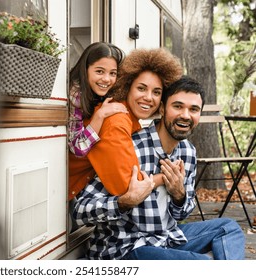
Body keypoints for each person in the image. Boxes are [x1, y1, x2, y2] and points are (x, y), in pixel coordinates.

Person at [72, 76, 246, 260]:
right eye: (177, 106)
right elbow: (80, 211)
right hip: (125, 248)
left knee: (230, 229)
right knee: (201, 264)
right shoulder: (130, 148)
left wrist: (179, 195)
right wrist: (123, 202)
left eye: (193, 109)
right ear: (162, 108)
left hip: (166, 237)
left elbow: (182, 213)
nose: (185, 115)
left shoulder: (187, 152)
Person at [68, 48, 183, 200]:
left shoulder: (128, 118)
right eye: (141, 88)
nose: (149, 98)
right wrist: (167, 177)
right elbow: (127, 187)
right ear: (127, 87)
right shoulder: (116, 121)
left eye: (156, 92)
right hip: (66, 197)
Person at [68, 42, 128, 158]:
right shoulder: (75, 94)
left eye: (112, 73)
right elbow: (77, 148)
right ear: (85, 70)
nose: (107, 79)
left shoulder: (103, 91)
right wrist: (100, 115)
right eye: (99, 71)